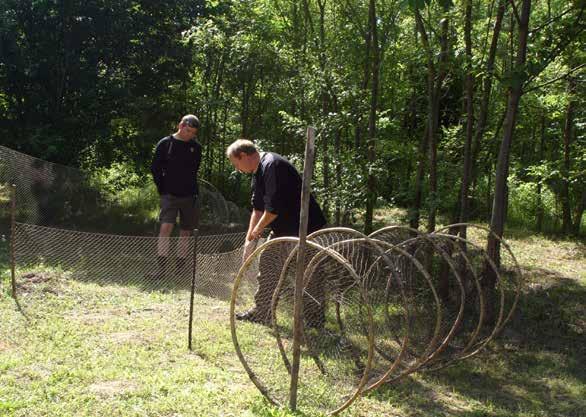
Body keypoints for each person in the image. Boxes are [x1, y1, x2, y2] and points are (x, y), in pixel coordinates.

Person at [226, 139, 327, 326]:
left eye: (235, 162)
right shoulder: (257, 171)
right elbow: (258, 209)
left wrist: (257, 232)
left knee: (309, 273)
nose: (236, 168)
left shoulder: (272, 165)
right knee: (268, 265)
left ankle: (315, 320)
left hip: (305, 228)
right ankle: (262, 313)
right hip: (282, 229)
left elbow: (272, 210)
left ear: (244, 156)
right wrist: (249, 240)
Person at [150, 114, 202, 281]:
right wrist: (163, 189)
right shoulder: (165, 144)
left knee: (186, 232)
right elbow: (155, 169)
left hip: (189, 195)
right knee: (165, 228)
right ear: (180, 126)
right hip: (169, 195)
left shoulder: (196, 147)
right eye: (187, 131)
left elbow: (193, 170)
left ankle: (180, 270)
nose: (189, 135)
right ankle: (160, 269)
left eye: (193, 133)